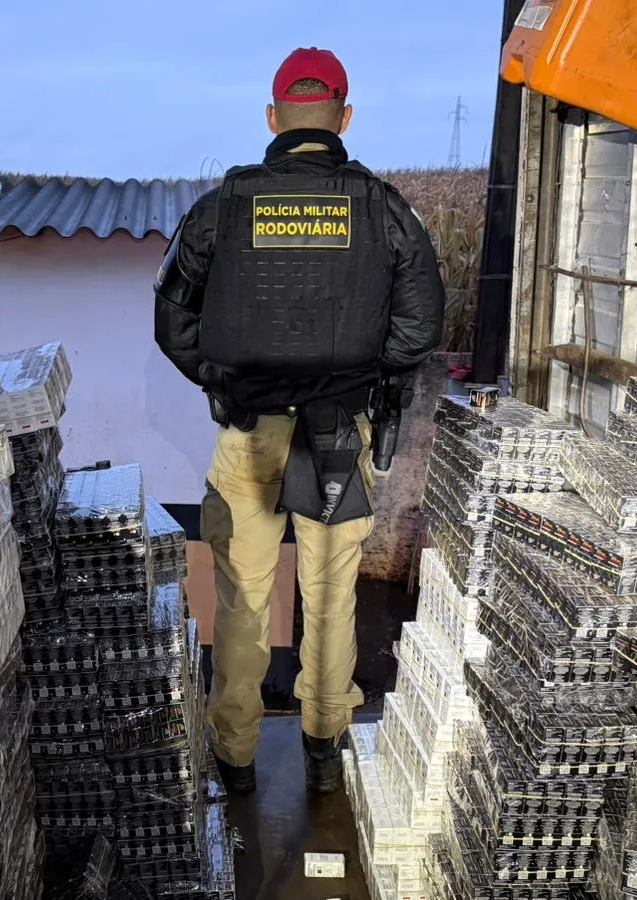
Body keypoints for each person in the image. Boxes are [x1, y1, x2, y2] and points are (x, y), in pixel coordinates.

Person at [153, 47, 447, 795]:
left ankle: (235, 757)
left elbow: (172, 322)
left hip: (250, 432)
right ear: (344, 119)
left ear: (272, 119)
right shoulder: (385, 209)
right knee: (331, 593)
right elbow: (419, 329)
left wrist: (226, 379)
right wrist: (357, 377)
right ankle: (323, 746)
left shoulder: (222, 206)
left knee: (242, 597)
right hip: (338, 435)